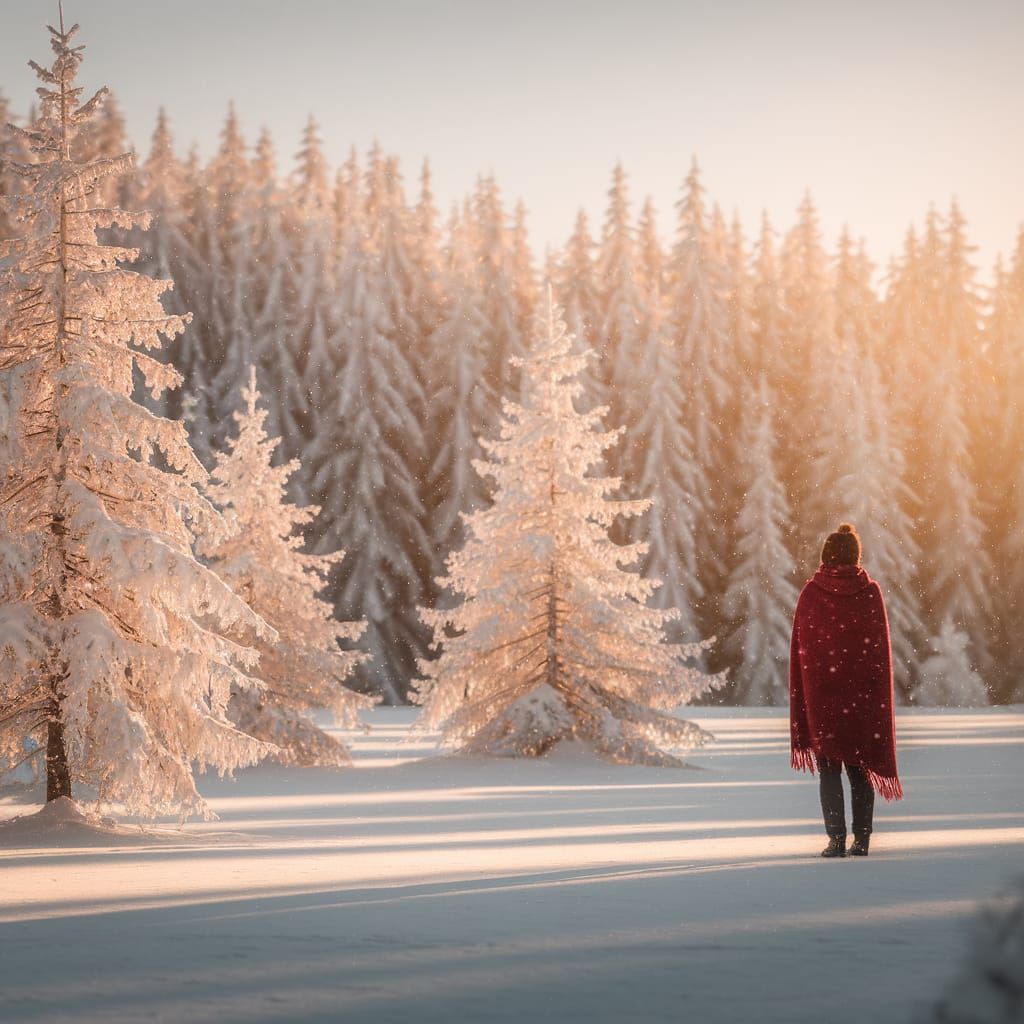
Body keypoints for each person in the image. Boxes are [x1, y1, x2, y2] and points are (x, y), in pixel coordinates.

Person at [789, 523, 903, 858]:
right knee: (859, 768)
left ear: (826, 556)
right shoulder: (870, 593)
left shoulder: (812, 594)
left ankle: (836, 840)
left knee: (829, 769)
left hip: (822, 699)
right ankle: (862, 840)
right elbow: (879, 656)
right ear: (855, 557)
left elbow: (802, 654)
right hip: (861, 701)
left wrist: (811, 694)